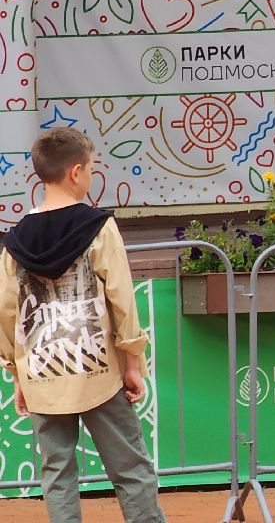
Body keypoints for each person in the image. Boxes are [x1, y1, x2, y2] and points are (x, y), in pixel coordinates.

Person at [0, 127, 165, 523]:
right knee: (131, 470)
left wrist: (16, 373)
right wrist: (132, 362)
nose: (91, 176)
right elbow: (122, 299)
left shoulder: (15, 240)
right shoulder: (98, 227)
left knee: (57, 476)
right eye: (91, 169)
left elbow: (7, 311)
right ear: (75, 172)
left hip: (41, 374)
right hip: (98, 372)